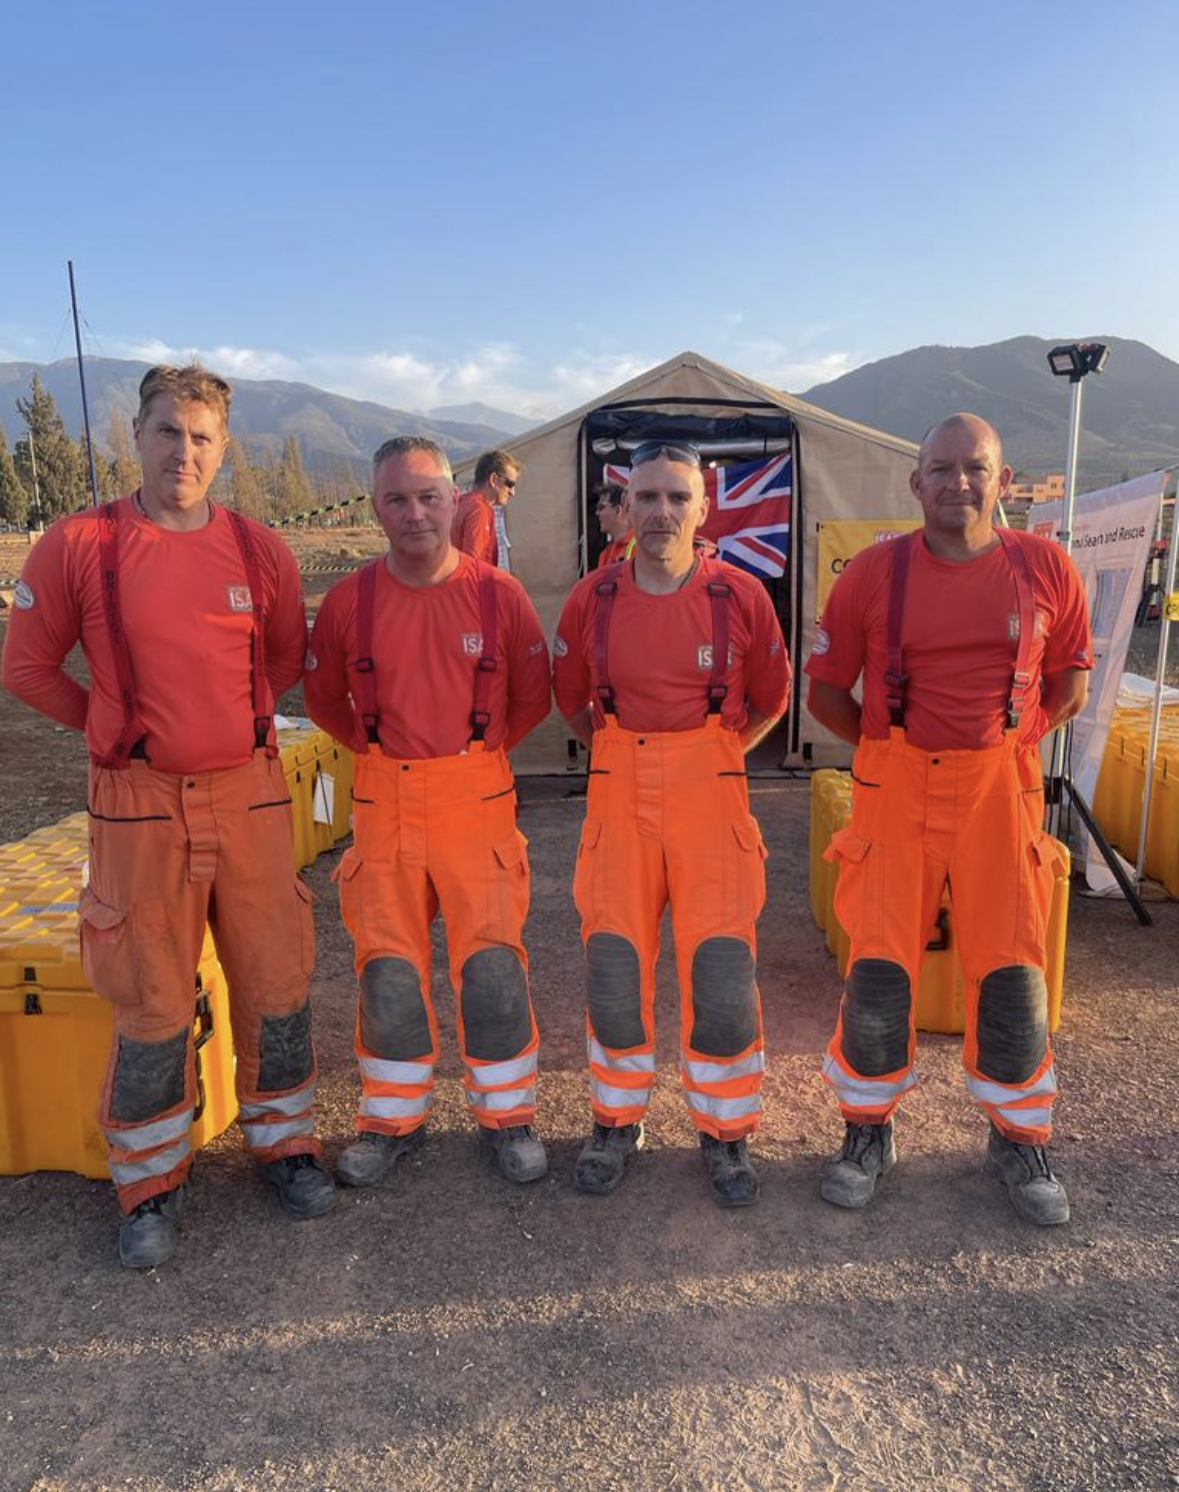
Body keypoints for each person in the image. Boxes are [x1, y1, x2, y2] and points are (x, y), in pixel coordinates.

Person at [1, 364, 335, 1268]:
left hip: (252, 793)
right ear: (135, 437)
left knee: (275, 976)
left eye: (199, 436)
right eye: (164, 431)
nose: (181, 451)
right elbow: (27, 667)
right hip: (136, 807)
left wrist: (220, 731)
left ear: (223, 448)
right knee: (148, 992)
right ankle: (149, 1182)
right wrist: (113, 730)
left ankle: (287, 1144)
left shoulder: (259, 550)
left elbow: (281, 660)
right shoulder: (80, 544)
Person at [806, 412, 1093, 1226]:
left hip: (999, 788)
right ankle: (866, 1130)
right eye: (940, 468)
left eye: (974, 469)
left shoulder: (1045, 568)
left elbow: (1068, 682)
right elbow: (826, 687)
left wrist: (1004, 745)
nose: (956, 483)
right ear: (915, 482)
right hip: (894, 786)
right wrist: (890, 750)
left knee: (1012, 974)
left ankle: (1017, 1138)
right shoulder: (870, 573)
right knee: (878, 971)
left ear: (1004, 480)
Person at [304, 436, 551, 1188]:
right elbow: (323, 701)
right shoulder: (351, 600)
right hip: (385, 800)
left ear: (455, 498)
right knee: (388, 972)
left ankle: (507, 1116)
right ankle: (391, 1119)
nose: (414, 514)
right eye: (396, 500)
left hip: (475, 799)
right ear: (376, 507)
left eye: (427, 496)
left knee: (492, 969)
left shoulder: (497, 596)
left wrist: (470, 760)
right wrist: (385, 757)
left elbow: (530, 700)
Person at [553, 440, 790, 1207]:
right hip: (618, 790)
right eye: (644, 497)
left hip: (709, 794)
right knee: (615, 968)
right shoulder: (592, 598)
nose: (659, 513)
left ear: (703, 507)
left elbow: (772, 698)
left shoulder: (741, 596)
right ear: (624, 508)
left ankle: (725, 1133)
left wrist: (712, 755)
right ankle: (615, 1121)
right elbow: (570, 703)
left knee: (721, 971)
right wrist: (627, 755)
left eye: (675, 498)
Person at [452, 449, 520, 572]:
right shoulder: (479, 509)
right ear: (493, 480)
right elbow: (473, 566)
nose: (512, 492)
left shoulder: (461, 503)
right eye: (510, 484)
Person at [593, 482, 633, 568]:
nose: (597, 513)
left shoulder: (641, 549)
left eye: (601, 507)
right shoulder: (605, 554)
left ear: (618, 510)